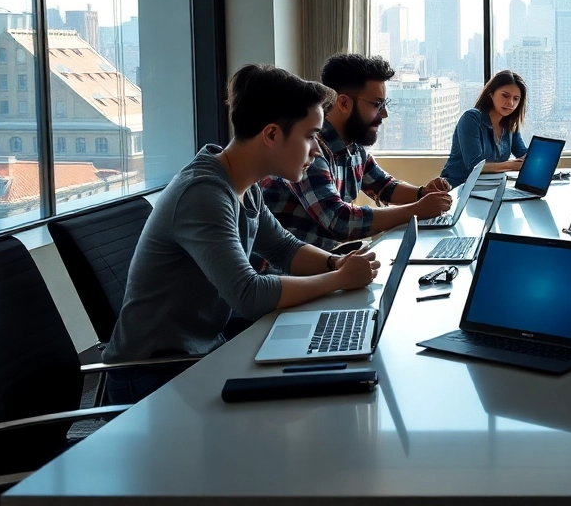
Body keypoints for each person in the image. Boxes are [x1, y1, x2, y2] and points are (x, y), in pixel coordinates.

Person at [103, 65, 383, 402]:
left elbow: (283, 248)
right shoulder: (203, 193)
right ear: (271, 135)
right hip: (152, 374)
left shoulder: (241, 183)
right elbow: (248, 294)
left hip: (201, 348)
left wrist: (337, 264)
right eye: (309, 136)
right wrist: (338, 280)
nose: (316, 151)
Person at [262, 54, 453, 250]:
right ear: (344, 103)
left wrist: (423, 193)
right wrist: (417, 210)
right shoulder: (309, 148)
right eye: (377, 104)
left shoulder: (354, 147)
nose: (384, 114)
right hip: (286, 273)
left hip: (322, 264)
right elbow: (339, 221)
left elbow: (384, 185)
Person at [441, 70, 529, 187]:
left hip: (488, 189)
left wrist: (536, 158)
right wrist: (511, 165)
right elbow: (475, 166)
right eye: (505, 95)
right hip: (457, 189)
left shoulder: (510, 124)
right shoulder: (471, 118)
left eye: (516, 98)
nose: (510, 103)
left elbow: (522, 153)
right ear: (491, 93)